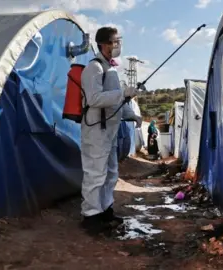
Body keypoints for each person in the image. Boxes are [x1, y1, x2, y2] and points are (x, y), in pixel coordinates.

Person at [80, 26, 142, 235]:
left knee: (110, 174)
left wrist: (131, 114)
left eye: (118, 41)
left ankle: (105, 209)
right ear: (103, 44)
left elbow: (116, 100)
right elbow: (94, 98)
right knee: (95, 174)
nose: (118, 45)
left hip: (110, 131)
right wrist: (122, 92)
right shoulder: (94, 68)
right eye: (114, 42)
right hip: (96, 130)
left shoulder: (112, 69)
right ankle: (91, 215)